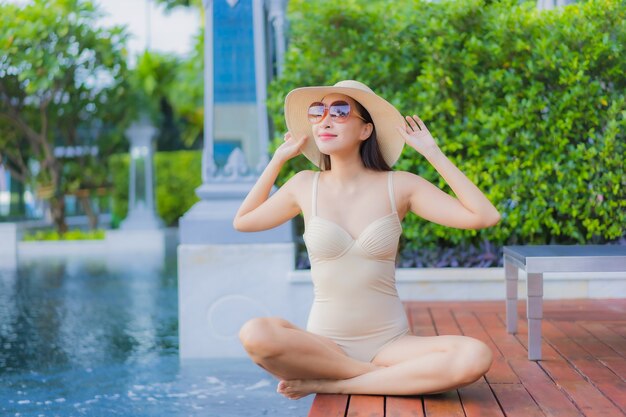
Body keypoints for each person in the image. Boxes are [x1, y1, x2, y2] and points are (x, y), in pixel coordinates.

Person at [233, 80, 501, 400]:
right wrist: (277, 161)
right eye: (317, 112)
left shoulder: (400, 186)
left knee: (475, 356)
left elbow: (485, 217)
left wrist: (433, 153)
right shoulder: (304, 185)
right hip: (325, 344)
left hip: (391, 345)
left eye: (341, 111)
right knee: (255, 333)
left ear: (365, 130)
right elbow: (243, 221)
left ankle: (333, 383)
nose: (325, 120)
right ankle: (384, 379)